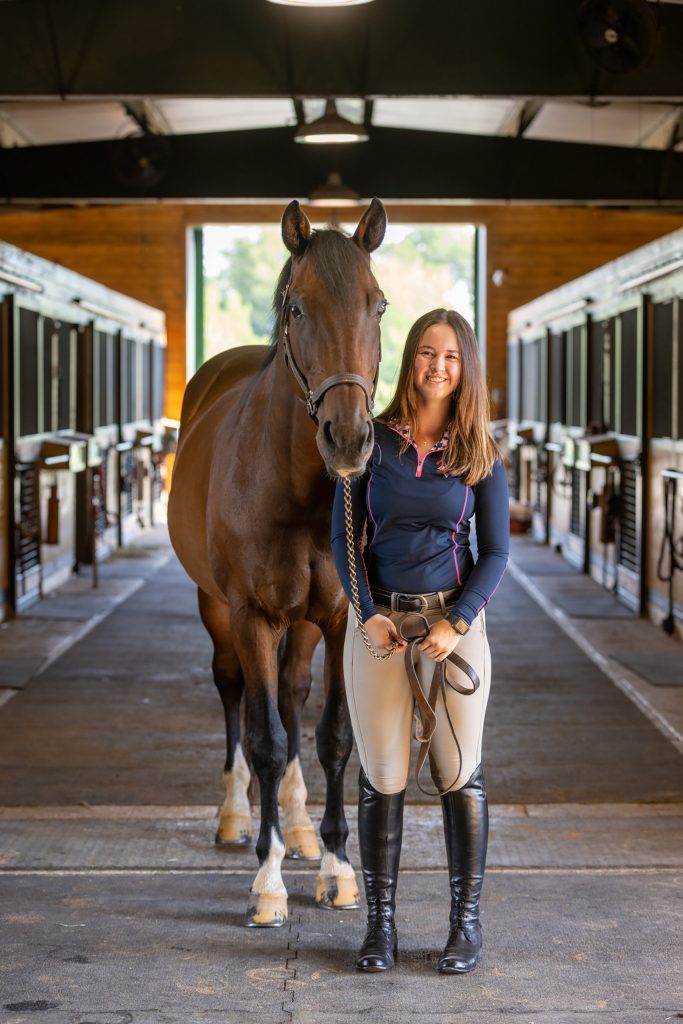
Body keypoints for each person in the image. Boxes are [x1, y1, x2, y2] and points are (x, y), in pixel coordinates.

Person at [330, 308, 509, 974]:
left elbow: (495, 552)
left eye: (451, 356)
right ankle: (379, 928)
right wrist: (365, 612)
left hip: (451, 628)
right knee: (382, 775)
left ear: (465, 369)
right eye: (428, 353)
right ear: (410, 359)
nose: (438, 366)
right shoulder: (369, 442)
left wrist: (456, 622)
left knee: (458, 773)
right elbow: (343, 538)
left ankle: (465, 927)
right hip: (380, 626)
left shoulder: (479, 451)